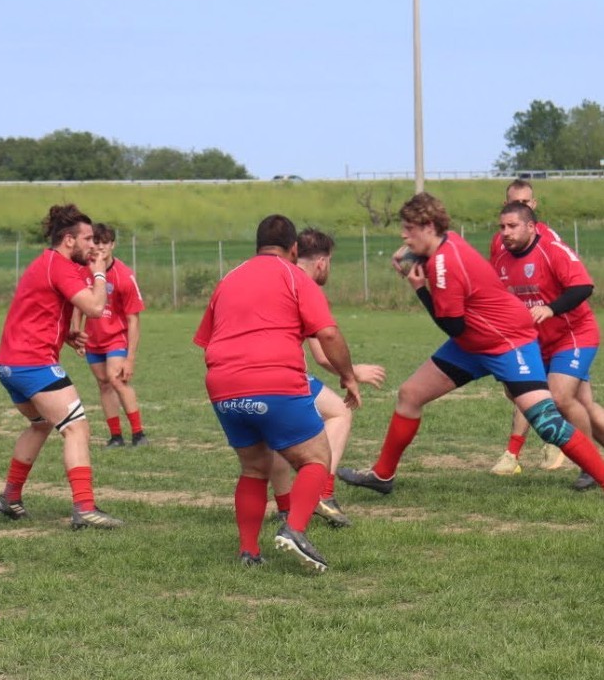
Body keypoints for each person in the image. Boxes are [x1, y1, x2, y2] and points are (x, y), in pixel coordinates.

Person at [338, 192, 604, 498]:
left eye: (409, 229)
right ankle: (383, 476)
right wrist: (411, 254)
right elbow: (459, 324)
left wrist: (419, 289)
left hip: (507, 342)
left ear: (427, 226)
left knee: (548, 423)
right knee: (410, 394)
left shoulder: (443, 264)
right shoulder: (446, 240)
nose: (403, 234)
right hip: (473, 341)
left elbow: (451, 325)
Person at [194, 215, 361, 573]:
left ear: (258, 246)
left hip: (222, 385)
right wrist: (348, 375)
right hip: (273, 380)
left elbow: (206, 339)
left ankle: (248, 551)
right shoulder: (294, 275)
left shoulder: (228, 279)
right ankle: (295, 528)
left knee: (254, 468)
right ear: (294, 248)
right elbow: (328, 335)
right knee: (316, 457)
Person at [0, 204, 124, 530]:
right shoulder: (60, 266)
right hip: (32, 363)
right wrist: (99, 272)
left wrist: (66, 334)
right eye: (88, 239)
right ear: (68, 240)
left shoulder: (47, 263)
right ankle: (84, 508)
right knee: (76, 427)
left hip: (10, 364)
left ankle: (9, 498)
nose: (94, 246)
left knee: (39, 424)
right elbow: (95, 307)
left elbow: (35, 310)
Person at [267, 228, 386, 529]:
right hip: (281, 374)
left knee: (275, 439)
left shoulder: (273, 279)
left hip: (237, 375)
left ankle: (284, 508)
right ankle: (324, 494)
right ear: (321, 262)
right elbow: (323, 351)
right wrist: (352, 373)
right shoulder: (305, 287)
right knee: (340, 412)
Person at [492, 201, 604, 491]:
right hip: (537, 344)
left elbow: (583, 287)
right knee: (586, 408)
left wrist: (551, 309)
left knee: (559, 397)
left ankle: (589, 465)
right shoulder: (501, 258)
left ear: (531, 226)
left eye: (512, 226)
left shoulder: (551, 249)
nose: (505, 232)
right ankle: (594, 462)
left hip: (574, 334)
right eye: (502, 226)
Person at [488, 179, 568, 475]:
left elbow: (570, 282)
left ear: (533, 206)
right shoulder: (500, 241)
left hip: (556, 330)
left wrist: (550, 310)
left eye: (525, 203)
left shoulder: (549, 239)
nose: (520, 207)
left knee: (552, 394)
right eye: (514, 203)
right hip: (519, 330)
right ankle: (550, 440)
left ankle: (518, 452)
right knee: (518, 390)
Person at [73, 223, 149, 448]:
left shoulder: (124, 276)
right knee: (104, 384)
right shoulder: (84, 271)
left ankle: (138, 434)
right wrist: (77, 332)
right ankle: (116, 436)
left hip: (116, 338)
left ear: (113, 244)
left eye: (105, 242)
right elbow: (77, 305)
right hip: (93, 340)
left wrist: (130, 358)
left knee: (116, 379)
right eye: (96, 242)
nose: (100, 247)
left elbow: (134, 320)